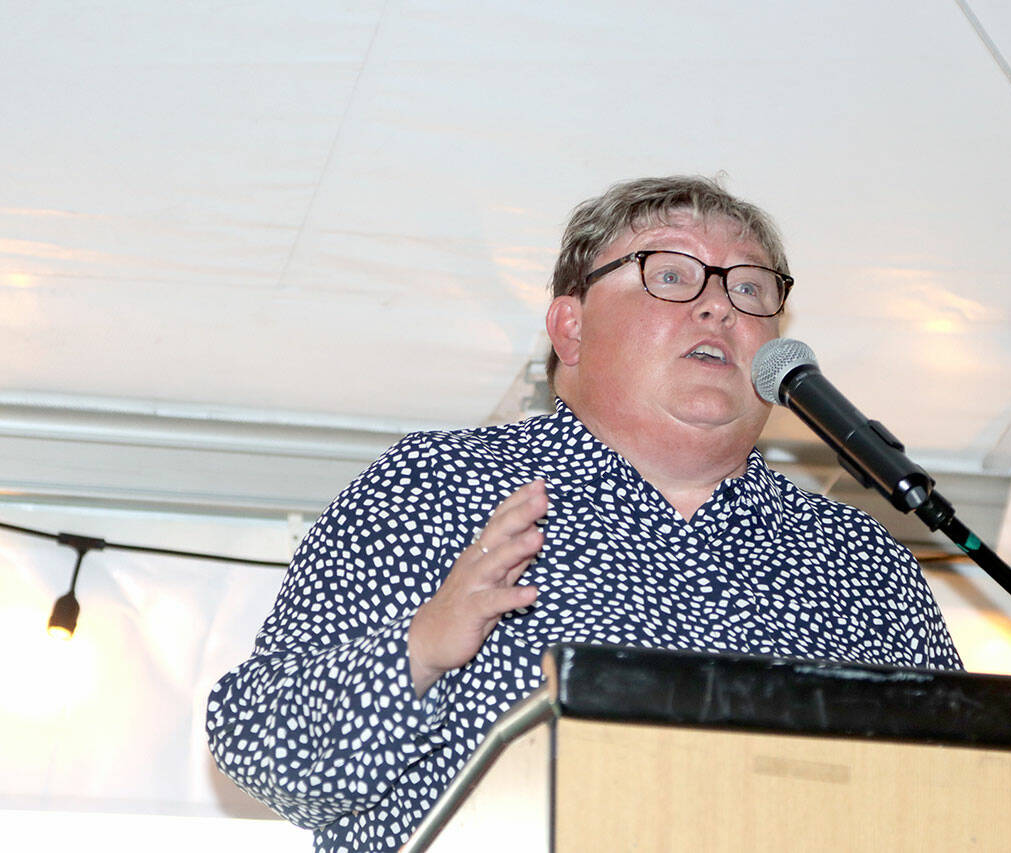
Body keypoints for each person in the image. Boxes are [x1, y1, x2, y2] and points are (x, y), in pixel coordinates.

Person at [206, 176, 961, 852]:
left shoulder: (863, 561)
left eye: (751, 288)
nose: (718, 305)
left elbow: (958, 796)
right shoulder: (437, 486)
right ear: (570, 328)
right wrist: (420, 650)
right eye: (670, 274)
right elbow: (261, 748)